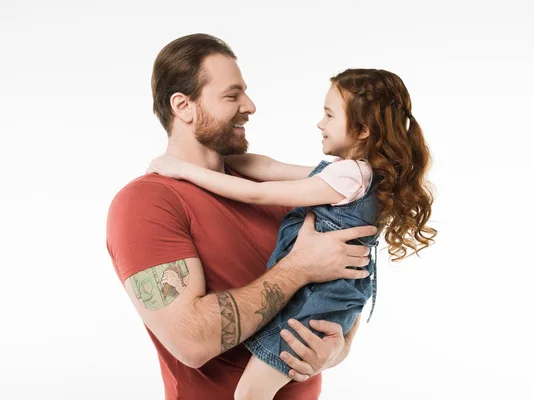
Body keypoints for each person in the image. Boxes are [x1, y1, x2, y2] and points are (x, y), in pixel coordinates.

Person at [106, 33, 377, 400]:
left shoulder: (274, 188)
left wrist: (338, 348)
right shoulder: (145, 203)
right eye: (232, 96)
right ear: (183, 106)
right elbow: (192, 341)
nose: (249, 106)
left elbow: (345, 272)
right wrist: (299, 267)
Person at [147, 68, 437, 399]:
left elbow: (258, 192)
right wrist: (217, 151)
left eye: (329, 115)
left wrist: (184, 169)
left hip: (312, 307)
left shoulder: (348, 177)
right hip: (325, 303)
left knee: (249, 395)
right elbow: (270, 168)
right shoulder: (352, 175)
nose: (320, 123)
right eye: (230, 95)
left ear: (361, 129)